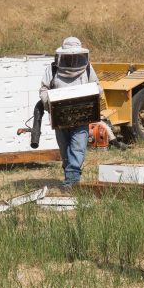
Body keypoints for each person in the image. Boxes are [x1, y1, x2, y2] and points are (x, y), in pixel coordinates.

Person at [39, 37, 102, 190]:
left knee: (77, 147)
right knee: (65, 148)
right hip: (60, 118)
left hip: (81, 118)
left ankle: (72, 181)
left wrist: (90, 95)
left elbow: (98, 87)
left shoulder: (87, 68)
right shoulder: (52, 69)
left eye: (76, 57)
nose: (73, 60)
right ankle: (70, 177)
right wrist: (50, 101)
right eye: (69, 57)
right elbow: (43, 90)